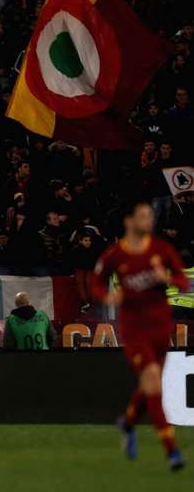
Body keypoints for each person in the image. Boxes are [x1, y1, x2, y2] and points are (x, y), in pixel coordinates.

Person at [94, 200, 189, 471]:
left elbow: (183, 280)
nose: (149, 221)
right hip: (134, 330)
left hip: (161, 327)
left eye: (150, 216)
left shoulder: (162, 249)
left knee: (150, 384)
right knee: (153, 383)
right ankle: (172, 452)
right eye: (143, 216)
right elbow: (97, 283)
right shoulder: (114, 255)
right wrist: (107, 296)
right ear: (129, 221)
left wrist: (168, 279)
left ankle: (128, 422)